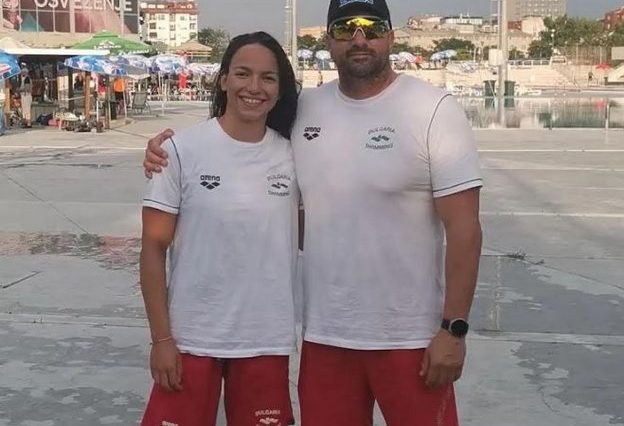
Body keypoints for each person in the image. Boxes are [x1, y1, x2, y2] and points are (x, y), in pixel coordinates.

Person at [143, 1, 483, 424]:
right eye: (344, 28)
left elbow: (465, 229)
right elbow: (239, 147)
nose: (359, 38)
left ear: (391, 36)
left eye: (372, 27)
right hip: (325, 336)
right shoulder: (306, 110)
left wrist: (454, 328)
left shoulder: (432, 108)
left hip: (410, 336)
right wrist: (166, 155)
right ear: (328, 39)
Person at [139, 31, 299, 426]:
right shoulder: (179, 151)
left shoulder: (295, 156)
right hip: (192, 339)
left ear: (280, 90)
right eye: (243, 74)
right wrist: (161, 339)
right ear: (224, 79)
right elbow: (153, 249)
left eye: (268, 78)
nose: (254, 87)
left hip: (264, 340)